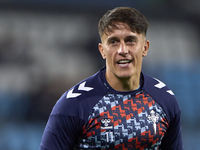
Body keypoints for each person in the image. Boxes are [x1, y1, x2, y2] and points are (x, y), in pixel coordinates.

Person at [40, 7, 183, 150]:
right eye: (114, 42)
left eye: (130, 41)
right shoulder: (74, 104)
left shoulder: (164, 99)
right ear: (102, 50)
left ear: (145, 48)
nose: (122, 50)